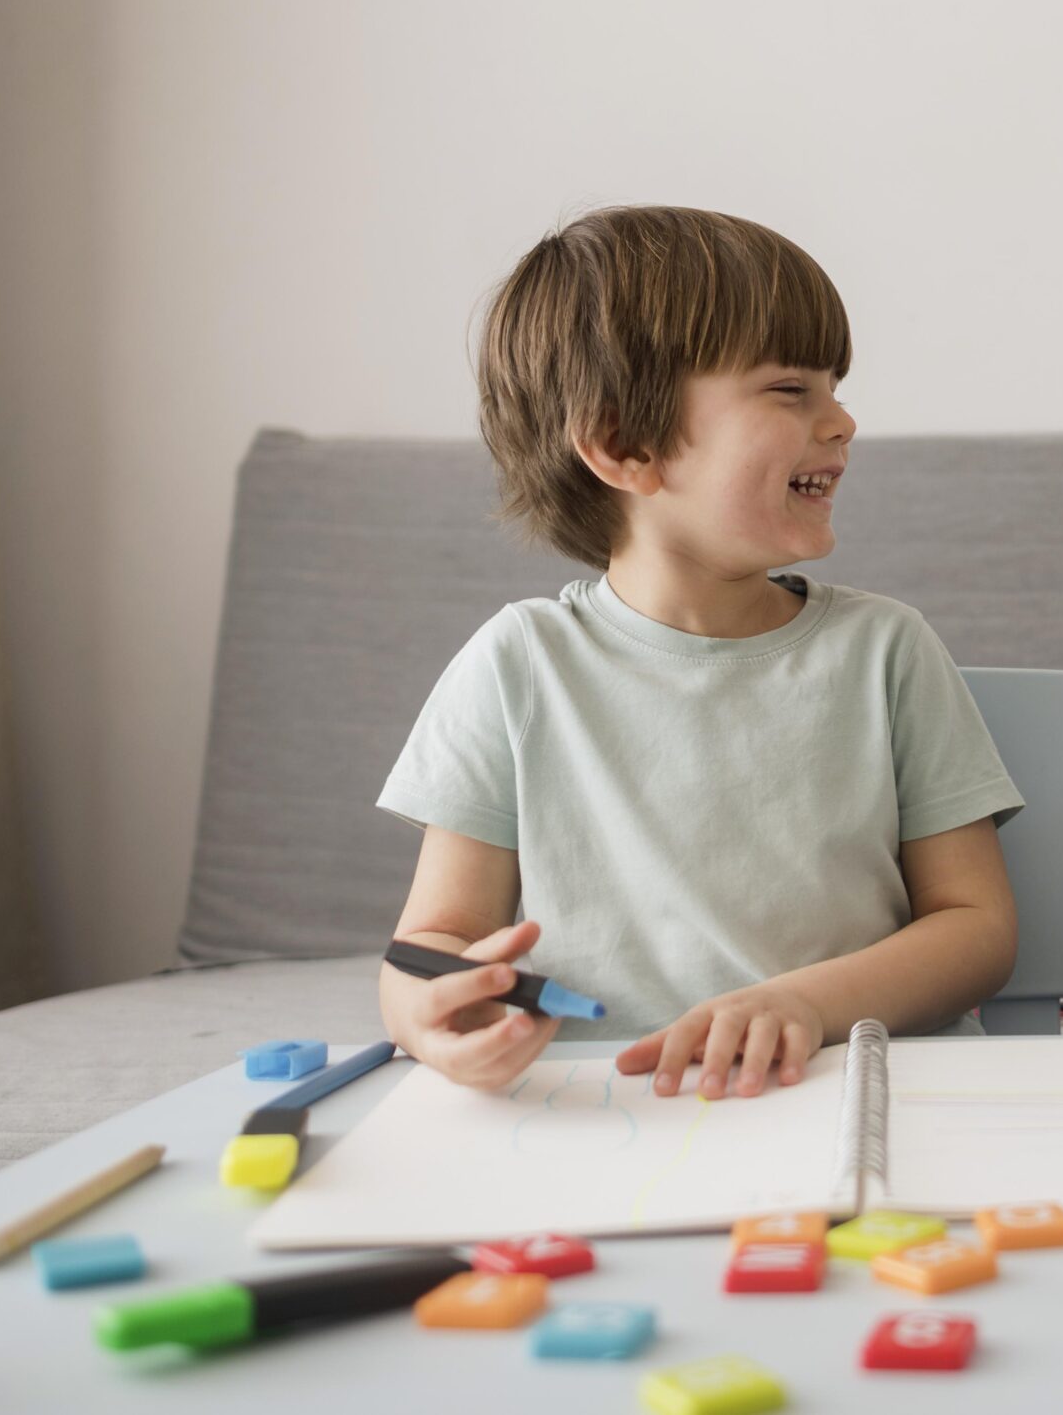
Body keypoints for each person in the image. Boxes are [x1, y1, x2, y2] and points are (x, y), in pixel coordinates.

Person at [375, 206, 1023, 1100]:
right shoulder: (516, 666)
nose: (842, 422)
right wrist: (437, 1015)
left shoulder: (886, 650)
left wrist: (800, 1004)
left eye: (833, 387)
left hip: (852, 1087)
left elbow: (976, 928)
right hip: (613, 1105)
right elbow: (430, 943)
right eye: (792, 389)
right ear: (623, 446)